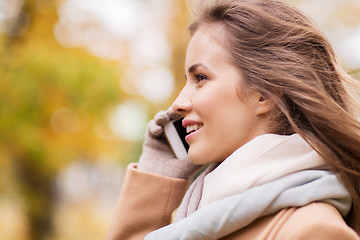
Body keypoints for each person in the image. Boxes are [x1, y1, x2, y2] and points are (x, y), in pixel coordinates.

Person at [106, 0, 360, 239]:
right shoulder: (202, 214)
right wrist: (156, 174)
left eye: (200, 78)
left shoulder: (313, 231)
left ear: (264, 93)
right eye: (187, 80)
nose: (177, 104)